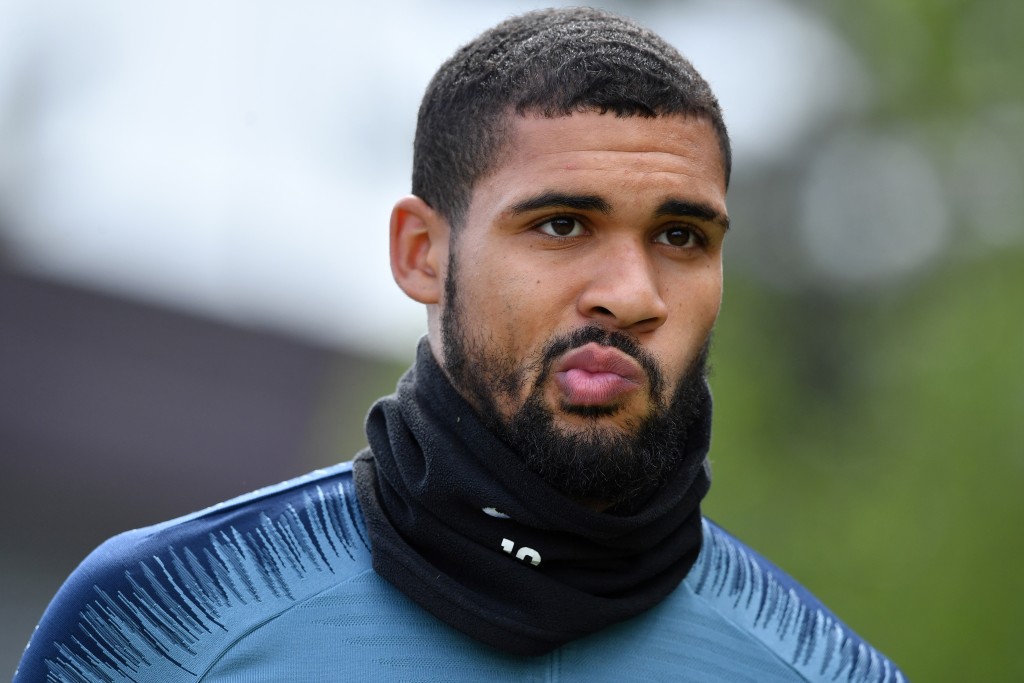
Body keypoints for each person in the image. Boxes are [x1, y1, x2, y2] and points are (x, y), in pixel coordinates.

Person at [14, 8, 905, 682]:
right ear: (422, 253)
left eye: (680, 237)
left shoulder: (820, 668)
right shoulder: (163, 623)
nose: (632, 295)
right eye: (562, 225)